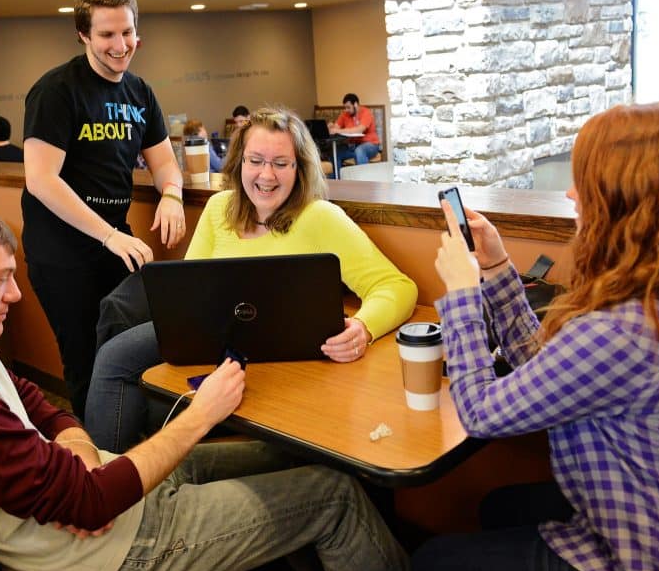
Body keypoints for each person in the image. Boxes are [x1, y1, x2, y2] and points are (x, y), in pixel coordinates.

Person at [0, 193, 417, 571]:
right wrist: (200, 416)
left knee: (295, 455)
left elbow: (37, 403)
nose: (16, 293)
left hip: (101, 492)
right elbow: (91, 506)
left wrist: (80, 453)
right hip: (105, 561)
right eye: (1, 278)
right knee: (334, 495)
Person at [413, 102, 659, 571]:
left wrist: (462, 296)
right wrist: (493, 267)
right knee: (498, 509)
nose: (572, 193)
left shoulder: (622, 330)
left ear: (627, 201)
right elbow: (546, 368)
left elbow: (480, 413)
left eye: (586, 182)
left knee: (434, 563)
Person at [86, 106, 417, 452]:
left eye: (280, 163)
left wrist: (363, 328)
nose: (266, 175)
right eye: (256, 160)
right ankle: (108, 485)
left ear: (299, 168)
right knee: (113, 357)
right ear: (240, 163)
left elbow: (396, 286)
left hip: (284, 359)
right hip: (213, 347)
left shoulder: (321, 218)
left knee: (153, 409)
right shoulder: (219, 208)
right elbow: (188, 294)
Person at [21, 0, 186, 420]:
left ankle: (130, 446)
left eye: (127, 32)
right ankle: (97, 467)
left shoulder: (139, 93)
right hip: (62, 250)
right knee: (85, 359)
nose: (121, 44)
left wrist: (171, 195)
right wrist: (109, 235)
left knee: (130, 347)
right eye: (108, 35)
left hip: (115, 241)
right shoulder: (57, 91)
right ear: (83, 35)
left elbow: (166, 164)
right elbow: (41, 180)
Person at [328, 92, 380, 174]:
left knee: (359, 151)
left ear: (355, 104)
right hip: (353, 147)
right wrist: (331, 127)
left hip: (371, 145)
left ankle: (364, 182)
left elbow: (359, 130)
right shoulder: (345, 114)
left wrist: (338, 130)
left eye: (348, 107)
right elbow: (335, 128)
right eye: (345, 108)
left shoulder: (366, 112)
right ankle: (337, 181)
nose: (346, 110)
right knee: (335, 153)